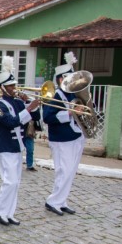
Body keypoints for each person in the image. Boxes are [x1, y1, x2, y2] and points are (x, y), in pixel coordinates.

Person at [0, 61, 40, 226]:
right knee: (9, 181)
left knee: (16, 182)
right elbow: (10, 122)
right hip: (5, 146)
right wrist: (27, 110)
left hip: (18, 147)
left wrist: (30, 104)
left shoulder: (18, 102)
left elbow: (35, 118)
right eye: (11, 86)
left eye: (15, 85)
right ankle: (0, 210)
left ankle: (9, 212)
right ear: (3, 88)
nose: (15, 88)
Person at [43, 52, 85, 216]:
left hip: (75, 136)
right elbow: (47, 117)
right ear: (61, 79)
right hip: (61, 139)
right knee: (63, 171)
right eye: (69, 79)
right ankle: (52, 201)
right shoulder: (55, 96)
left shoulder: (73, 94)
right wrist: (68, 113)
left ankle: (62, 200)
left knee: (71, 172)